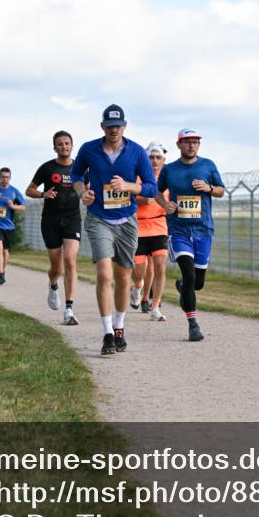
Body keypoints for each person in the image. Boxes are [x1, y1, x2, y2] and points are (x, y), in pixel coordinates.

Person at [71, 104, 157, 355]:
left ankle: (119, 328)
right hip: (99, 219)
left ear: (125, 126)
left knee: (122, 278)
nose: (113, 130)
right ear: (102, 127)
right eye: (109, 126)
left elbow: (151, 187)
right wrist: (82, 192)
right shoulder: (89, 149)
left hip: (126, 222)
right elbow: (76, 173)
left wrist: (129, 186)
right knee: (104, 275)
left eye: (117, 126)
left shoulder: (137, 152)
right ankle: (107, 332)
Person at [155, 128, 225, 342]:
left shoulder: (208, 165)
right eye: (187, 142)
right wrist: (166, 204)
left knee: (198, 282)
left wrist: (209, 187)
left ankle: (184, 288)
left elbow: (221, 190)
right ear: (179, 145)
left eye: (195, 142)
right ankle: (193, 325)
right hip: (179, 230)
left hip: (203, 229)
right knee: (188, 273)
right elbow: (156, 192)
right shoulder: (170, 170)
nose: (191, 145)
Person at [26, 130, 82, 325]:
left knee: (70, 261)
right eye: (60, 144)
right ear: (55, 147)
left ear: (72, 145)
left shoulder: (80, 168)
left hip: (72, 219)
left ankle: (69, 309)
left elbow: (91, 189)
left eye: (67, 143)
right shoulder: (47, 168)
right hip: (50, 220)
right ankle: (52, 284)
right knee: (56, 268)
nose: (64, 147)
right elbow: (29, 190)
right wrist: (43, 195)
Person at [131, 142, 169, 321]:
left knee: (160, 265)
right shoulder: (137, 176)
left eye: (158, 158)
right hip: (138, 227)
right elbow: (126, 196)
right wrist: (141, 200)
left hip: (159, 226)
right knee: (140, 270)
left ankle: (155, 306)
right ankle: (138, 286)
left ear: (163, 160)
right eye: (151, 157)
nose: (154, 161)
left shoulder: (167, 178)